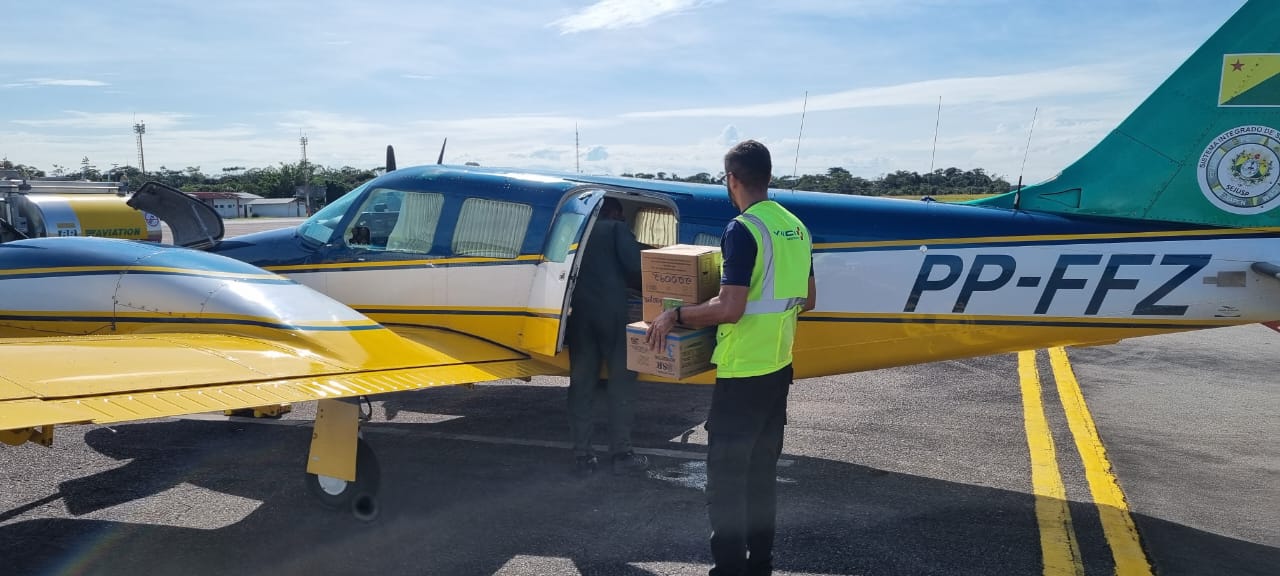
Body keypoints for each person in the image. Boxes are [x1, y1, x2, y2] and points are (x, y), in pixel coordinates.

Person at [647, 140, 816, 576]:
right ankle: (760, 566)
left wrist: (675, 315)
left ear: (732, 180)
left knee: (725, 484)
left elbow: (730, 307)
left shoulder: (743, 228)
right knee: (761, 480)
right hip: (778, 371)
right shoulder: (796, 227)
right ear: (768, 176)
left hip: (742, 375)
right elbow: (809, 299)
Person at [567, 196, 650, 476]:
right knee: (621, 383)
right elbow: (636, 266)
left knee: (582, 384)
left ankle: (582, 455)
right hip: (612, 314)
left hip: (578, 316)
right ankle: (621, 453)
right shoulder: (614, 229)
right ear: (614, 213)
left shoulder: (575, 231)